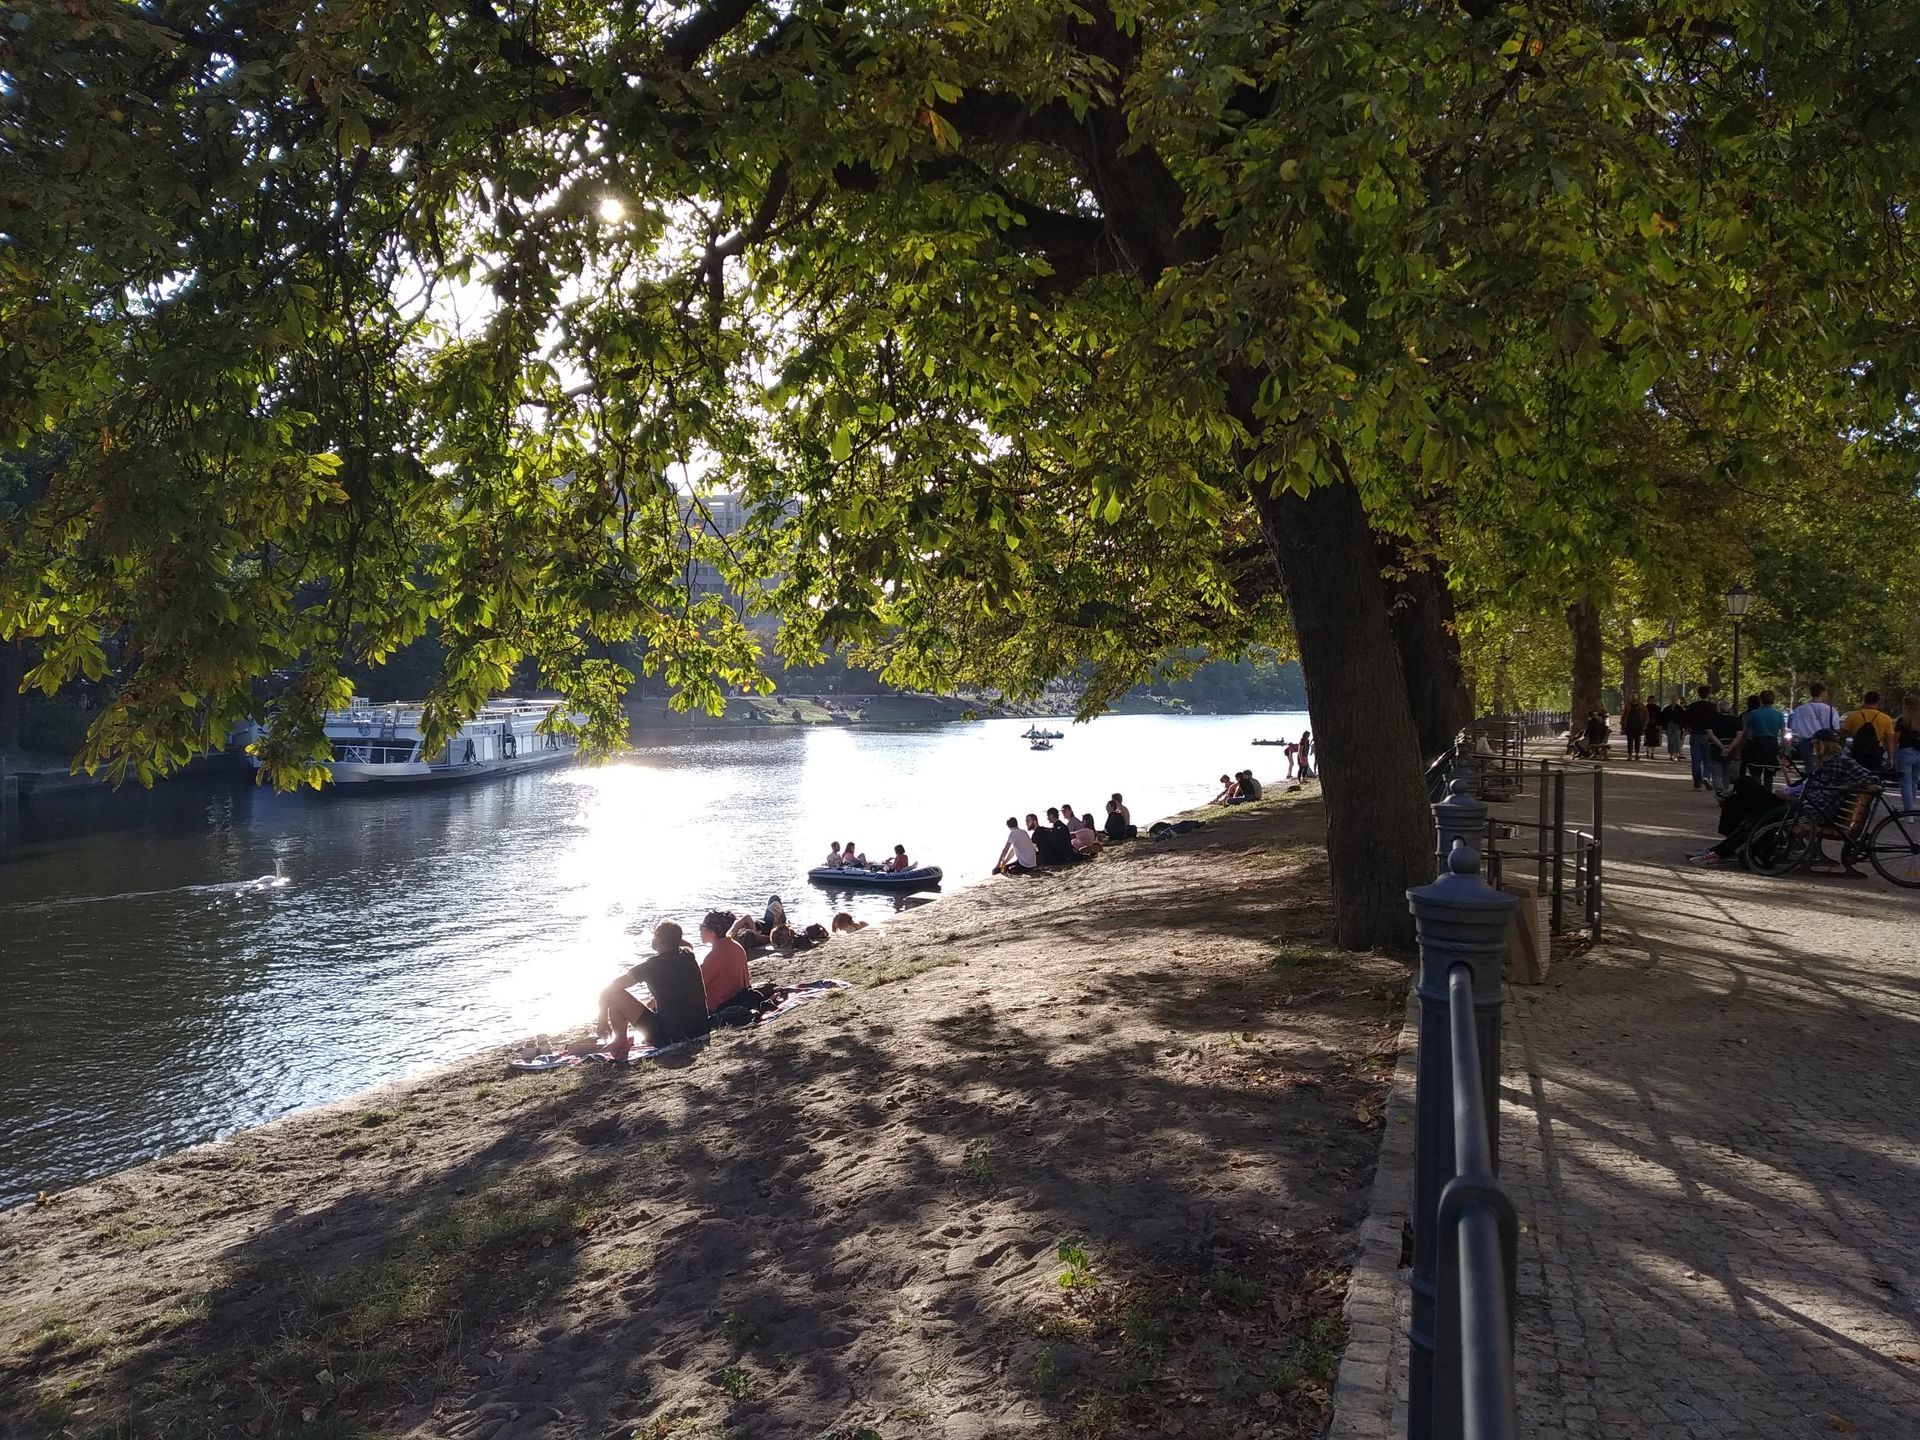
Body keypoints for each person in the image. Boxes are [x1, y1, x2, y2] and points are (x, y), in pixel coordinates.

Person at [597, 921, 711, 1059]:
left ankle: (620, 1040)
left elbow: (607, 990)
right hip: (700, 1030)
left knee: (616, 996)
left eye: (654, 936)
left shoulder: (650, 966)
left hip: (671, 1036)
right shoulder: (688, 954)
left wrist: (602, 1021)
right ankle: (620, 1040)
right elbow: (686, 945)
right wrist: (673, 937)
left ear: (660, 941)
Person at [698, 910, 754, 1013]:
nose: (699, 930)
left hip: (721, 1005)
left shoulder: (716, 955)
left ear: (712, 931)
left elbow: (698, 983)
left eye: (702, 926)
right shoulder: (736, 946)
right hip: (740, 999)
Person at [1786, 683, 1842, 773]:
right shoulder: (1830, 710)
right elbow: (1836, 728)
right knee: (1826, 766)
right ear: (1821, 693)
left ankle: (1811, 783)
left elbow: (1794, 729)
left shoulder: (1800, 709)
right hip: (1825, 743)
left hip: (1806, 743)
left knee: (1810, 767)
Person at [1739, 689, 1786, 791]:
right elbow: (1783, 733)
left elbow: (1747, 730)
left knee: (1755, 772)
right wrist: (1783, 747)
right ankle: (1767, 795)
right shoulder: (1779, 714)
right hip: (1772, 745)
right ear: (1773, 700)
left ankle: (1757, 792)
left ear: (1761, 700)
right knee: (1769, 775)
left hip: (1757, 744)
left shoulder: (1754, 713)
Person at [1841, 692, 1895, 767]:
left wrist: (1840, 751)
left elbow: (1843, 735)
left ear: (1864, 701)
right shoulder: (1886, 719)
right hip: (1876, 751)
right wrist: (1890, 758)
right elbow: (1890, 740)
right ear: (1878, 702)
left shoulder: (1851, 716)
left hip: (1857, 750)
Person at [1683, 686, 1720, 790]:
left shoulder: (1692, 706)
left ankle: (1697, 782)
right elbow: (1717, 721)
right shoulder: (1713, 707)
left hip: (1695, 734)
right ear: (1708, 694)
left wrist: (1689, 727)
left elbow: (1684, 719)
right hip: (1708, 735)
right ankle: (1706, 776)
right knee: (1708, 759)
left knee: (1696, 760)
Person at [1707, 703, 1741, 798]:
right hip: (1731, 749)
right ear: (1730, 709)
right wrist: (1730, 747)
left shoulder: (1712, 719)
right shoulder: (1736, 720)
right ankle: (1725, 791)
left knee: (1716, 772)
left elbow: (1710, 734)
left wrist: (1721, 746)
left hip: (1715, 748)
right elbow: (1738, 735)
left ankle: (1719, 790)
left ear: (1719, 709)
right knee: (1727, 773)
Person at [1894, 693, 1920, 813]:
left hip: (1905, 752)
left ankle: (1908, 809)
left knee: (1905, 783)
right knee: (1914, 781)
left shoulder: (1902, 719)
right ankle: (1913, 807)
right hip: (1919, 752)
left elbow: (1897, 738)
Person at [1663, 697, 1685, 764]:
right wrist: (1664, 727)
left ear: (1677, 701)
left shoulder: (1680, 709)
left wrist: (1682, 726)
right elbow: (1663, 717)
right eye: (1672, 699)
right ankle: (1671, 754)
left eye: (1675, 700)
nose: (1673, 701)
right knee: (1670, 740)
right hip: (1669, 725)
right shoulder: (1667, 708)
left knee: (1676, 739)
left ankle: (1676, 755)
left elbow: (1683, 718)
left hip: (1677, 725)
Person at [1621, 695, 1644, 760]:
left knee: (1637, 740)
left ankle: (1637, 754)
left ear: (1637, 697)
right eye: (1632, 697)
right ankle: (1630, 755)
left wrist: (1644, 724)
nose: (1633, 698)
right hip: (1629, 725)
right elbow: (1623, 715)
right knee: (1630, 741)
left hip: (1638, 726)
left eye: (1635, 696)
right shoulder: (1627, 706)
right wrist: (1623, 724)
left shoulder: (1641, 706)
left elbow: (1645, 715)